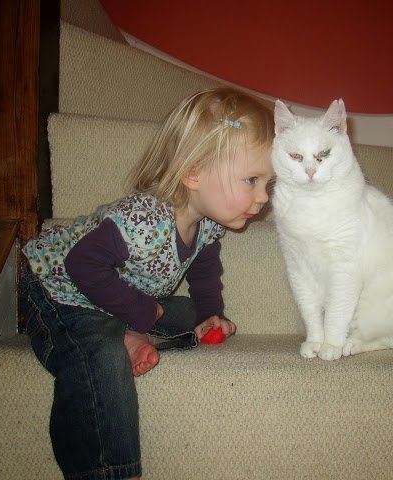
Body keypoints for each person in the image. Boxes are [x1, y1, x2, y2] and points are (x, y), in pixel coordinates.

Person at [19, 87, 274, 480]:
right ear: (193, 173)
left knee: (189, 314)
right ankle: (108, 470)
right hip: (59, 290)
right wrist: (142, 312)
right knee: (99, 354)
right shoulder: (142, 219)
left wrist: (210, 314)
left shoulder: (206, 225)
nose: (262, 198)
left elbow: (204, 273)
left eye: (267, 185)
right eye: (252, 180)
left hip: (114, 299)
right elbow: (81, 264)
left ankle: (127, 330)